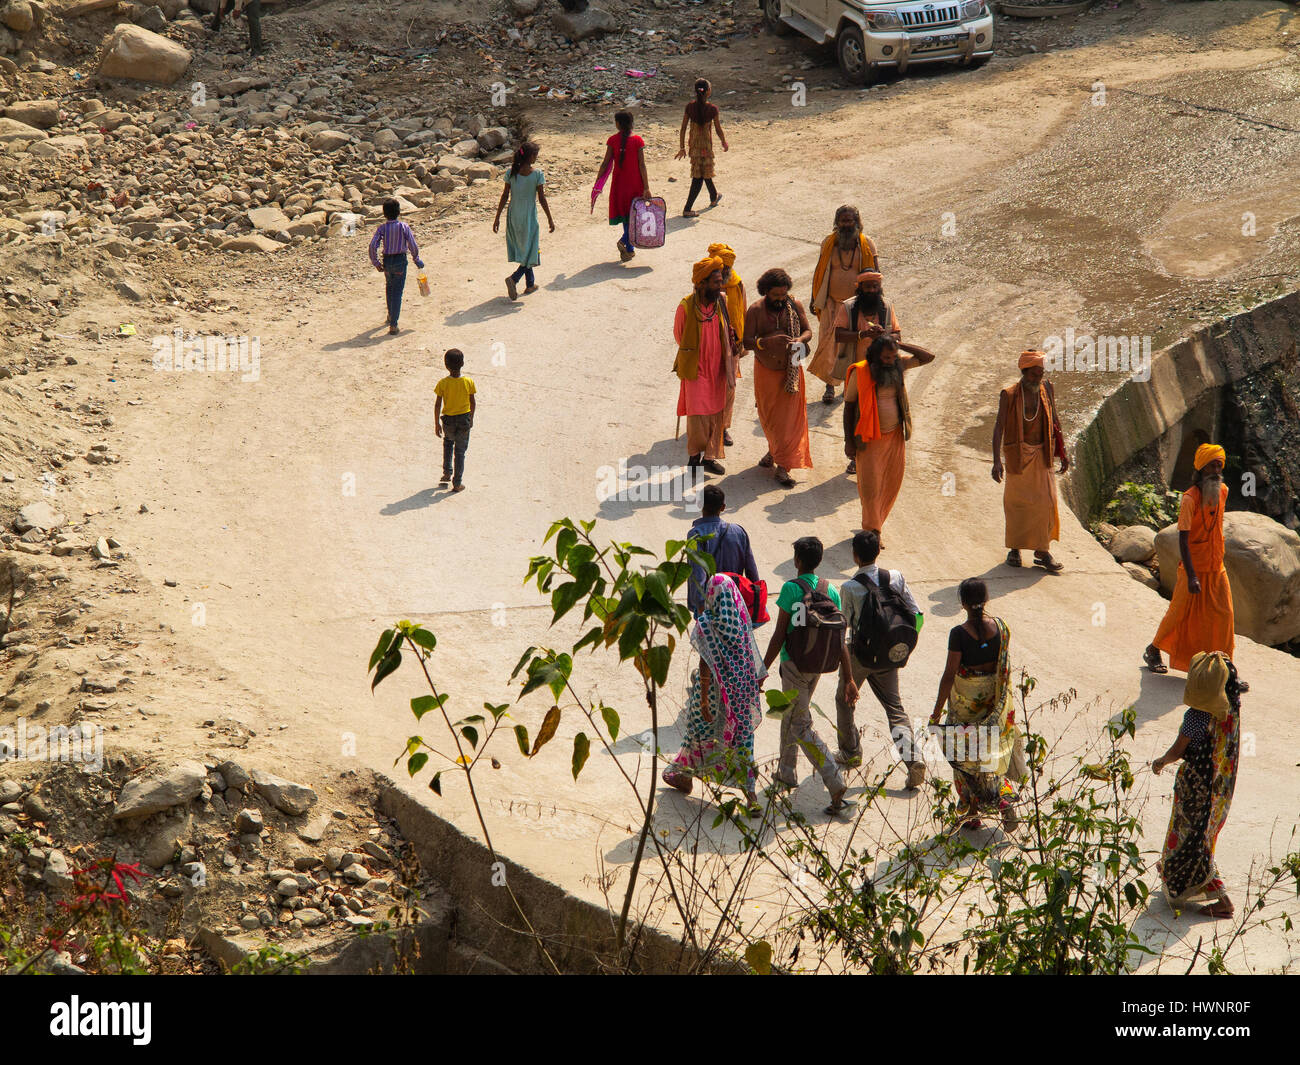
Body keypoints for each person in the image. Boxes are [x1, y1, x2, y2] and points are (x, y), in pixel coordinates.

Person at [762, 536, 859, 815]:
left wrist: (762, 669)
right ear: (818, 561)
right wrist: (848, 678)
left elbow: (780, 634)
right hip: (819, 665)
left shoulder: (791, 589)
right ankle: (786, 771)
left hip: (794, 665)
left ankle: (834, 781)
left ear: (797, 561)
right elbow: (840, 639)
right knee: (791, 715)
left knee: (801, 724)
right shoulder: (832, 590)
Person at [663, 575, 768, 815]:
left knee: (698, 733)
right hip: (740, 692)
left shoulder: (707, 624)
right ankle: (751, 797)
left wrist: (702, 701)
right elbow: (750, 656)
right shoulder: (741, 620)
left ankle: (685, 776)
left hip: (712, 692)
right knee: (741, 742)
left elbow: (705, 663)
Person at [929, 578, 1026, 831]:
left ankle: (972, 814)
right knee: (990, 756)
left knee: (962, 759)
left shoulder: (959, 634)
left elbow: (950, 674)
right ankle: (1003, 800)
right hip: (993, 705)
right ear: (987, 599)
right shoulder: (1001, 628)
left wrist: (936, 713)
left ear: (962, 603)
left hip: (965, 706)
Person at [1152, 650, 1243, 919]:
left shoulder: (1196, 716)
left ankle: (1222, 899)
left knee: (1192, 839)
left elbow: (1178, 751)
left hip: (1196, 788)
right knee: (1201, 835)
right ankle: (1171, 871)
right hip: (1220, 788)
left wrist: (1160, 762)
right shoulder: (1232, 711)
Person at [836, 530, 926, 789]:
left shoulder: (850, 587)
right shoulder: (895, 577)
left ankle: (850, 752)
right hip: (891, 653)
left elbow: (844, 631)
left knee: (844, 700)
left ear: (854, 555)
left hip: (861, 655)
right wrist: (899, 646)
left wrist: (849, 676)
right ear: (878, 551)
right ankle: (913, 759)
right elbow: (916, 614)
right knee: (895, 708)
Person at [1145, 444, 1238, 676]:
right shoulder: (1189, 499)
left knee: (1224, 616)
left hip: (1217, 566)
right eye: (1212, 465)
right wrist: (1192, 576)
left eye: (1219, 465)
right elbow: (1183, 540)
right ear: (1201, 468)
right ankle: (1153, 649)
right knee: (1179, 612)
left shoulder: (1223, 491)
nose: (1216, 470)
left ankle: (1225, 669)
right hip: (1193, 568)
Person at [843, 333, 935, 547]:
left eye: (894, 356)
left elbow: (929, 357)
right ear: (874, 356)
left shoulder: (899, 365)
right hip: (869, 438)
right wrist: (848, 441)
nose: (890, 360)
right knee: (871, 486)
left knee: (891, 483)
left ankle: (876, 523)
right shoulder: (861, 371)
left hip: (894, 435)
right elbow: (848, 407)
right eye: (886, 357)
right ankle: (873, 530)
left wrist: (899, 345)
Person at [992, 350, 1068, 572]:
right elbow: (999, 426)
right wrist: (997, 461)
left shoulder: (1047, 388)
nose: (1038, 378)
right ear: (1024, 372)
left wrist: (1063, 452)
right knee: (1017, 504)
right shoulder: (1009, 394)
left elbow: (1055, 419)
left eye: (1041, 373)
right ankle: (1014, 549)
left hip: (1043, 453)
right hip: (1017, 456)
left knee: (1046, 503)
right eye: (1035, 374)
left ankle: (1042, 551)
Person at [743, 268, 813, 489]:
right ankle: (774, 452)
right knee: (770, 419)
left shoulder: (795, 305)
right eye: (776, 296)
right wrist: (766, 343)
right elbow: (747, 342)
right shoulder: (755, 310)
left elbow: (808, 331)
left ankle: (783, 466)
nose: (780, 300)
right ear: (766, 292)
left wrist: (799, 340)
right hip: (766, 371)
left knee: (791, 421)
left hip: (791, 370)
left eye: (783, 295)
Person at [809, 208, 880, 406]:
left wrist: (876, 302)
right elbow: (820, 271)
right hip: (830, 302)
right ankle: (830, 386)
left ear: (857, 222)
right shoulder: (829, 243)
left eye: (850, 220)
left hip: (855, 305)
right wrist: (812, 298)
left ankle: (851, 384)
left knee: (853, 345)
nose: (846, 224)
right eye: (842, 221)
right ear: (837, 222)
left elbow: (876, 274)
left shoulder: (867, 244)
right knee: (828, 344)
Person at [673, 256, 736, 475]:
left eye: (720, 281)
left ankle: (710, 457)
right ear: (702, 284)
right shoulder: (685, 307)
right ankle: (694, 458)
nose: (720, 285)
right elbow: (680, 336)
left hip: (718, 367)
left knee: (716, 412)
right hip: (696, 370)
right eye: (716, 282)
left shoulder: (722, 301)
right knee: (698, 414)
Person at [493, 141, 555, 301]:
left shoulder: (511, 173)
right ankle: (514, 278)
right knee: (531, 249)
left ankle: (530, 284)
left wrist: (497, 217)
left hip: (513, 216)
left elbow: (505, 196)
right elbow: (542, 199)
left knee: (527, 248)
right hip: (528, 216)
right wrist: (550, 218)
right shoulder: (537, 174)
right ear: (532, 156)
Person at [686, 485, 758, 612]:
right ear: (723, 507)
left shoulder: (696, 534)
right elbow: (752, 572)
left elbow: (697, 575)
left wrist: (701, 607)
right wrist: (755, 601)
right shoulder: (739, 531)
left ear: (699, 504)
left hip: (709, 605)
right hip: (735, 604)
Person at [592, 110, 650, 262]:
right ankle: (625, 241)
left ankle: (629, 250)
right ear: (631, 123)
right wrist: (646, 187)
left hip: (619, 184)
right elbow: (642, 165)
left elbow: (605, 163)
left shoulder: (612, 140)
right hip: (635, 183)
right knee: (635, 215)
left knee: (625, 215)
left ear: (618, 124)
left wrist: (597, 182)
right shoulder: (638, 141)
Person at [708, 242, 746, 447]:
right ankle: (706, 425)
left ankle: (723, 428)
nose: (722, 274)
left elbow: (742, 311)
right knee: (708, 386)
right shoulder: (703, 286)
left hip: (732, 345)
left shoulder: (737, 284)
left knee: (729, 388)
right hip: (709, 345)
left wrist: (742, 340)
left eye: (725, 270)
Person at [368, 199, 424, 335]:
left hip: (387, 261)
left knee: (390, 288)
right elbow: (412, 244)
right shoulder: (403, 227)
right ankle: (393, 324)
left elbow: (372, 246)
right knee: (397, 292)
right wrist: (416, 259)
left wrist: (376, 263)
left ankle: (390, 315)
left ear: (384, 213)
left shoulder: (382, 228)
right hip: (400, 261)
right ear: (399, 212)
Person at [675, 78, 728, 217]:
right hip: (706, 146)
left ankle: (713, 196)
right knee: (700, 176)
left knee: (703, 171)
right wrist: (723, 141)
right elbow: (718, 129)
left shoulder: (690, 107)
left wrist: (682, 147)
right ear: (708, 91)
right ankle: (687, 208)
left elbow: (683, 128)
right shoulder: (712, 109)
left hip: (694, 146)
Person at [434, 348, 476, 492]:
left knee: (448, 444)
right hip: (464, 419)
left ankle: (447, 472)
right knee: (460, 452)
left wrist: (436, 423)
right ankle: (457, 483)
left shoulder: (443, 383)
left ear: (446, 365)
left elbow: (438, 404)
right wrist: (471, 418)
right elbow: (473, 402)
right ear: (463, 363)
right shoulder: (469, 381)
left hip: (448, 421)